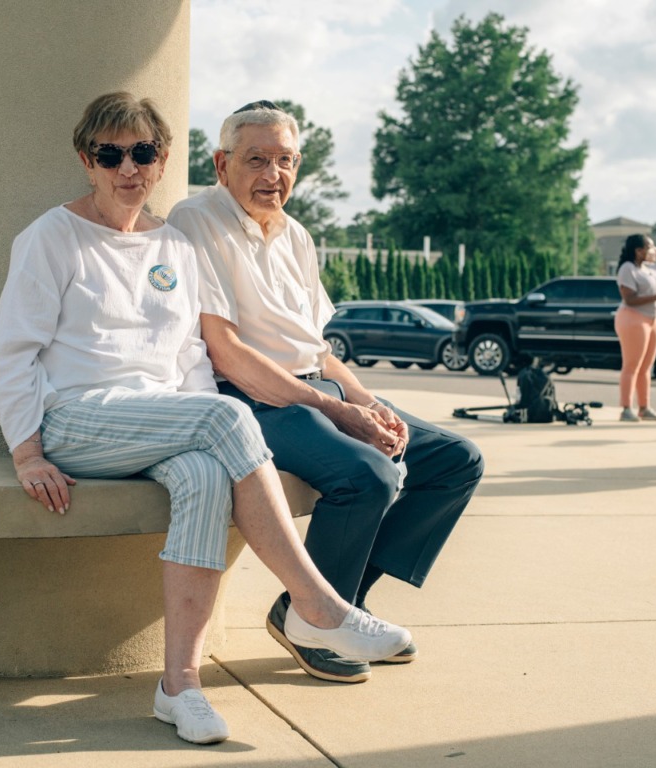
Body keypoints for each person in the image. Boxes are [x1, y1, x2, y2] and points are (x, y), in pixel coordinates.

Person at [0, 92, 413, 746]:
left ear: (162, 163)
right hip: (76, 421)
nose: (128, 168)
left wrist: (202, 421)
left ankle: (179, 687)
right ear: (87, 160)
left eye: (143, 153)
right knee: (223, 417)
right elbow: (13, 351)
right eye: (111, 154)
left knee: (206, 477)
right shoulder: (53, 236)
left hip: (165, 421)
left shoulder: (173, 245)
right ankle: (318, 606)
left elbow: (189, 356)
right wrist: (26, 451)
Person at [168, 100, 484, 684]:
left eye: (286, 160)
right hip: (250, 397)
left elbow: (320, 352)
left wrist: (369, 404)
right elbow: (225, 351)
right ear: (221, 164)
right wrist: (333, 408)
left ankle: (329, 608)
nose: (273, 174)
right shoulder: (196, 220)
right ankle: (316, 619)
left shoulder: (297, 235)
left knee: (455, 460)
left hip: (315, 389)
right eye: (257, 159)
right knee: (368, 475)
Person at [614, 234, 656, 422]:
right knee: (631, 365)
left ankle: (644, 407)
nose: (652, 250)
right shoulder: (628, 269)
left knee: (646, 366)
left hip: (653, 319)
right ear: (638, 251)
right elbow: (629, 299)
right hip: (633, 319)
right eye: (649, 247)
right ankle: (626, 408)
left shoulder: (651, 268)